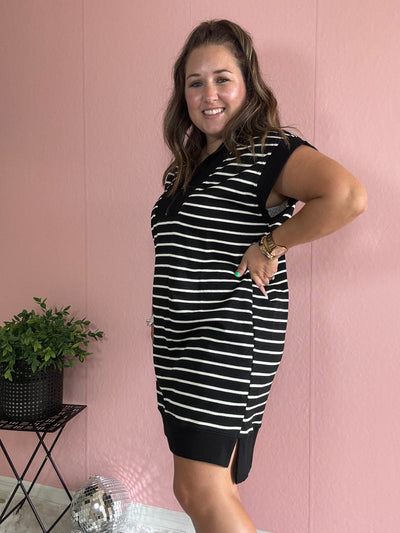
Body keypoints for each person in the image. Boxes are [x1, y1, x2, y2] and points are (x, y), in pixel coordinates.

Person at [150, 19, 367, 533]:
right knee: (213, 487)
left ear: (248, 82)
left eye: (222, 78)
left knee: (198, 490)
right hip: (179, 343)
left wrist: (272, 243)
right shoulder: (185, 164)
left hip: (226, 336)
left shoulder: (267, 150)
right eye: (195, 81)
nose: (209, 94)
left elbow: (347, 196)